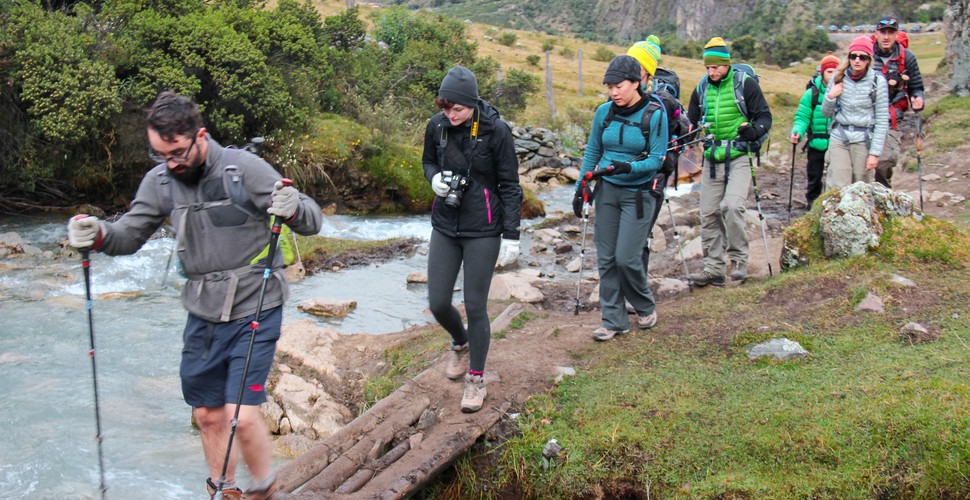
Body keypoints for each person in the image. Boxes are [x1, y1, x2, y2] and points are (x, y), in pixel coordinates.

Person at [66, 91, 322, 500]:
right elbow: (129, 234)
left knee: (242, 416)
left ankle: (264, 492)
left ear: (200, 136)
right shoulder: (162, 183)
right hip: (202, 311)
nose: (170, 163)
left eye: (177, 152)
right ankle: (225, 490)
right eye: (160, 155)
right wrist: (96, 234)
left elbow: (312, 218)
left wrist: (292, 207)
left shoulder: (243, 169)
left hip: (255, 304)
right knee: (207, 414)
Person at [421, 66, 522, 413]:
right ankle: (460, 342)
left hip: (484, 228)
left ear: (472, 104)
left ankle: (476, 380)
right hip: (445, 225)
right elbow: (428, 161)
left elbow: (510, 185)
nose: (450, 115)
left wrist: (512, 235)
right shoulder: (436, 125)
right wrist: (434, 179)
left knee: (476, 305)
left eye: (458, 109)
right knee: (437, 302)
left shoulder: (496, 131)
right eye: (445, 108)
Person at [574, 55, 667, 341]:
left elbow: (657, 160)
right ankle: (613, 321)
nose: (613, 92)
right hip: (607, 190)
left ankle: (643, 305)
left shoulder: (654, 113)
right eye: (609, 87)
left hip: (639, 194)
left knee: (626, 258)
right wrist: (580, 187)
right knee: (606, 258)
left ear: (636, 83)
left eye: (619, 86)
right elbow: (592, 152)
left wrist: (630, 167)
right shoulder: (604, 112)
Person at [686, 37, 772, 286]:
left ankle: (739, 260)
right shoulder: (701, 88)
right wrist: (687, 133)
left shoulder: (745, 85)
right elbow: (692, 121)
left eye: (716, 67)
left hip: (739, 156)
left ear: (726, 64)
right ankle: (713, 268)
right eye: (707, 68)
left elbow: (764, 116)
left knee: (732, 206)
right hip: (712, 159)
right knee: (709, 213)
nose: (711, 72)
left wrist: (753, 131)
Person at [821, 36, 889, 191]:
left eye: (862, 57)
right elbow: (825, 113)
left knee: (862, 186)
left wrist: (875, 153)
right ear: (849, 57)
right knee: (836, 186)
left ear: (868, 60)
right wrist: (830, 97)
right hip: (839, 136)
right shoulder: (837, 78)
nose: (857, 60)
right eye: (853, 56)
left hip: (864, 139)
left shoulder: (878, 82)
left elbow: (882, 120)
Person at [870, 15, 925, 188]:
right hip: (865, 113)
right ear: (876, 34)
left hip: (891, 113)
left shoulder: (907, 57)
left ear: (896, 34)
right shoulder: (864, 55)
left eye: (890, 32)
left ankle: (883, 196)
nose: (886, 36)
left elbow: (916, 85)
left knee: (886, 160)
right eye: (883, 32)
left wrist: (918, 98)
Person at [790, 53, 840, 208]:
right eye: (829, 71)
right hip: (815, 144)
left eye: (835, 72)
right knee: (814, 179)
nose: (832, 75)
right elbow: (803, 116)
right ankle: (811, 209)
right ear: (822, 73)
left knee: (836, 179)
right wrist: (797, 131)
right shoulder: (811, 94)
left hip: (838, 144)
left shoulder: (843, 91)